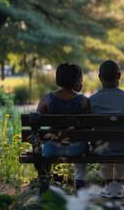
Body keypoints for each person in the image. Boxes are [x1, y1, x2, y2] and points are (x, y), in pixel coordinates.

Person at [89, 60, 124, 199]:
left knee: (103, 144)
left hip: (102, 149)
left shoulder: (92, 100)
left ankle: (108, 183)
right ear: (119, 76)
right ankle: (118, 182)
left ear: (100, 77)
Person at [36, 63, 90, 194]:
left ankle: (44, 186)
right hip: (76, 149)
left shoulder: (47, 99)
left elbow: (36, 123)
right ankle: (80, 184)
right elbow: (88, 128)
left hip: (52, 149)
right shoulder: (84, 101)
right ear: (77, 81)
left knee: (48, 145)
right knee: (81, 141)